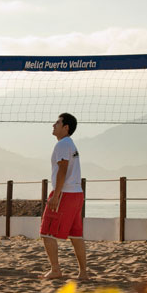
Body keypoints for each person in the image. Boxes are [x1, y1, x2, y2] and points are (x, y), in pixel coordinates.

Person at [40, 113, 89, 280]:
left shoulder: (63, 144)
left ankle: (55, 270)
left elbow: (62, 169)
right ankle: (83, 273)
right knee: (76, 235)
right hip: (77, 193)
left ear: (66, 127)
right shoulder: (70, 144)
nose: (54, 125)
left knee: (46, 232)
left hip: (65, 193)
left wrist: (56, 195)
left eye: (58, 122)